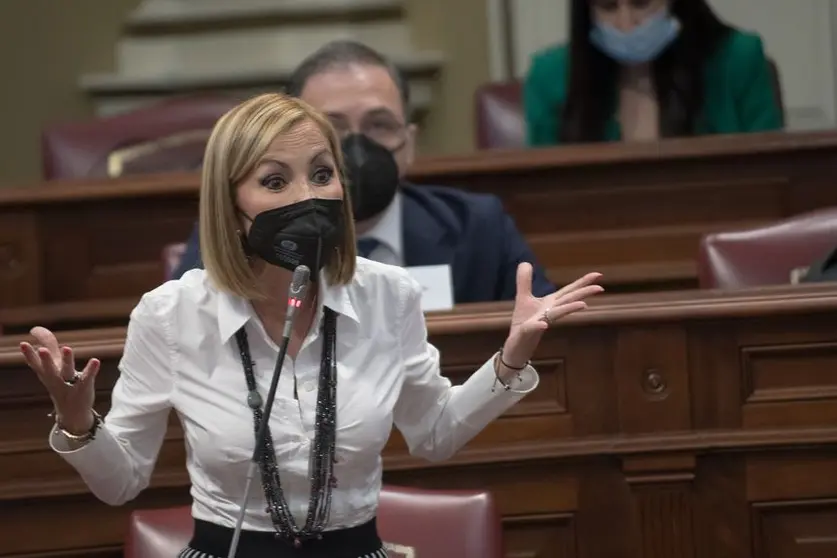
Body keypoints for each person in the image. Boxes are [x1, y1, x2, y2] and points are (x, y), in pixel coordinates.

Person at [20, 93, 603, 558]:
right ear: (231, 206)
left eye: (322, 174)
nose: (309, 196)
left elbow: (434, 434)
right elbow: (120, 483)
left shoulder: (388, 296)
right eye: (275, 182)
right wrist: (77, 423)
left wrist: (512, 360)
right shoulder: (171, 315)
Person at [174, 40, 555, 303]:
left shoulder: (478, 226)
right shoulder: (239, 229)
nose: (354, 149)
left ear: (409, 143)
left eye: (379, 126)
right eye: (332, 128)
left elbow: (546, 335)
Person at [524, 0, 784, 146]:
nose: (626, 24)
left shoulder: (738, 59)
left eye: (641, 3)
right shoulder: (550, 76)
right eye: (608, 6)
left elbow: (773, 181)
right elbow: (543, 198)